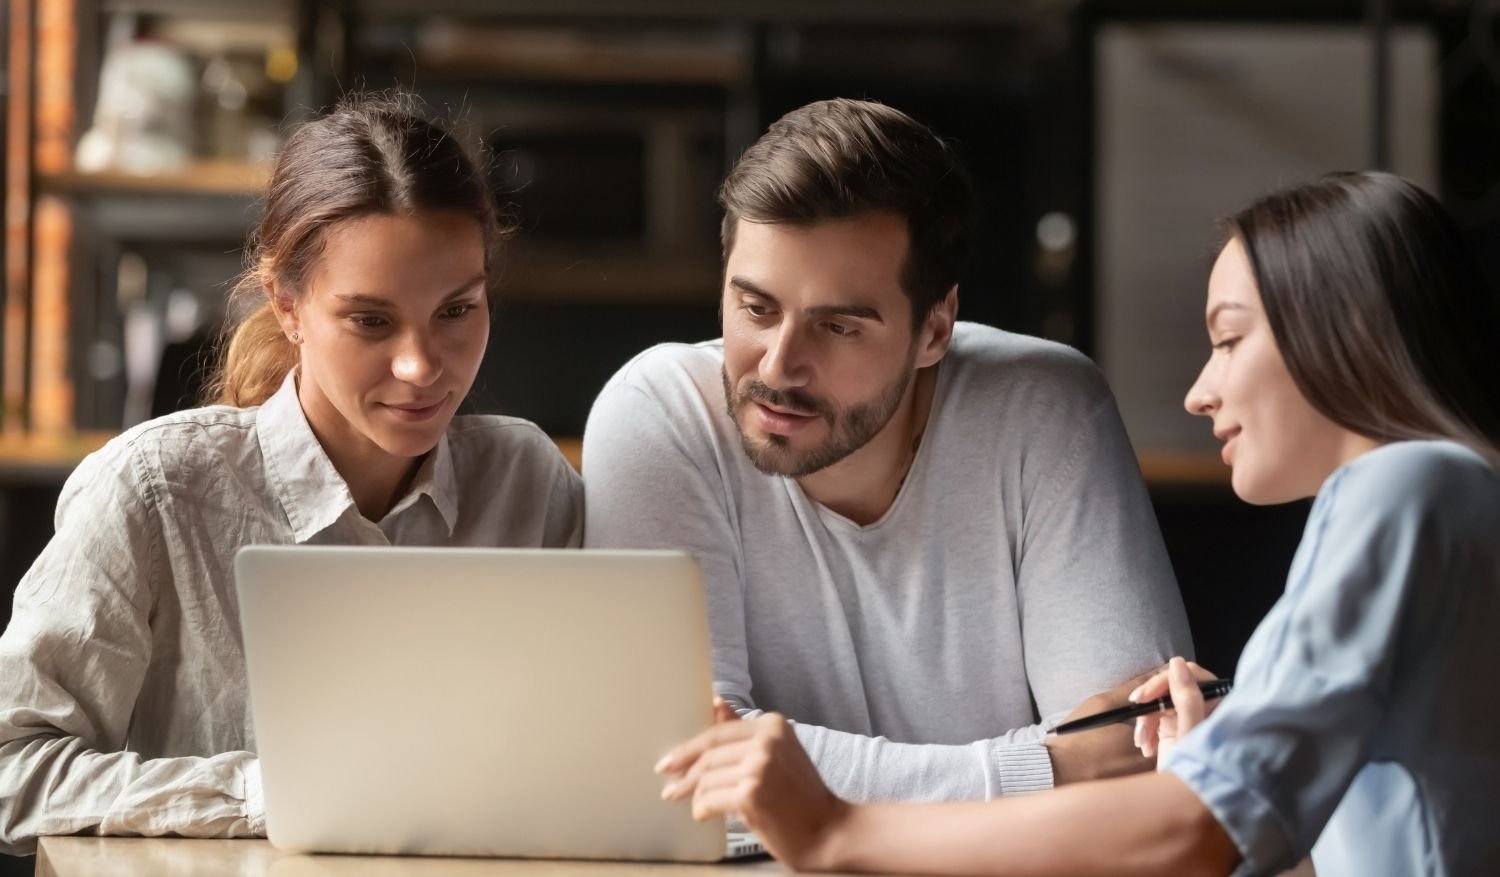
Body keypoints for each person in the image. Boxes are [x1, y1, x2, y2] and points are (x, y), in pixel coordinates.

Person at [657, 171, 1500, 876]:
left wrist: (839, 830)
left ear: (1340, 329)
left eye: (1229, 340)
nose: (1199, 392)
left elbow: (1195, 830)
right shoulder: (1450, 497)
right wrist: (1204, 766)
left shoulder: (1406, 485)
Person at [0, 94, 582, 854]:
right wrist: (269, 789)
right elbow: (14, 772)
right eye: (371, 320)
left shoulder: (528, 481)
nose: (420, 366)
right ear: (287, 303)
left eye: (456, 310)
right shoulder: (153, 492)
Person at [584, 97, 1193, 802]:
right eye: (756, 308)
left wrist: (782, 775)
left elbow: (1139, 761)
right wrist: (1046, 765)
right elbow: (678, 774)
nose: (779, 367)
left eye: (838, 327)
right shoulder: (660, 414)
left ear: (935, 329)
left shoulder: (1045, 408)